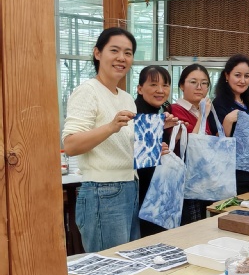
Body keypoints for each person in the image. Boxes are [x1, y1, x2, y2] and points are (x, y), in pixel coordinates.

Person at [62, 28, 140, 251]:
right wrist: (110, 127)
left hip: (130, 185)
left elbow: (123, 146)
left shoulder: (126, 98)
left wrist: (154, 143)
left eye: (128, 53)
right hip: (102, 190)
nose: (121, 58)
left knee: (129, 261)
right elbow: (71, 145)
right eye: (114, 50)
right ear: (97, 53)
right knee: (111, 264)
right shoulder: (88, 91)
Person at [169, 63, 219, 226]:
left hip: (204, 179)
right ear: (181, 85)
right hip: (184, 180)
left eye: (204, 83)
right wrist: (203, 116)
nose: (199, 87)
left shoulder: (203, 110)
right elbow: (191, 145)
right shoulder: (174, 110)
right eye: (193, 82)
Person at [134, 65, 173, 237]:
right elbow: (142, 160)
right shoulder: (137, 113)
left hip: (155, 192)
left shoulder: (159, 113)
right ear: (140, 88)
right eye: (153, 85)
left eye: (165, 85)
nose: (160, 90)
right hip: (143, 194)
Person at [212, 54, 249, 194]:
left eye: (247, 76)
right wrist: (228, 120)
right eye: (237, 75)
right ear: (227, 76)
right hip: (230, 172)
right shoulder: (219, 103)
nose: (242, 80)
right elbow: (218, 140)